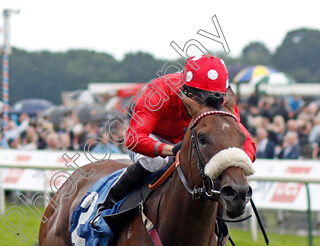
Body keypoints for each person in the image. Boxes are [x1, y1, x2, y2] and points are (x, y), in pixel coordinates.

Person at [96, 55, 256, 215]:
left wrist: (237, 160)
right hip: (153, 137)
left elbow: (246, 140)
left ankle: (218, 228)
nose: (207, 106)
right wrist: (171, 150)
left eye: (213, 99)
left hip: (190, 140)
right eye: (201, 98)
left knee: (210, 164)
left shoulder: (221, 103)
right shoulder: (159, 91)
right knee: (155, 162)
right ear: (186, 90)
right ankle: (107, 205)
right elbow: (133, 138)